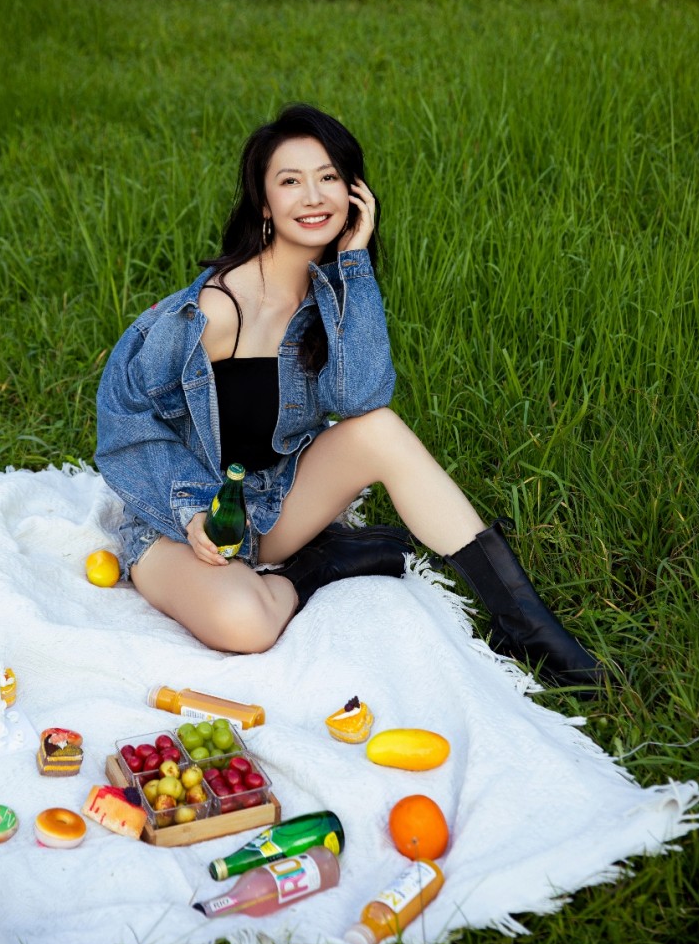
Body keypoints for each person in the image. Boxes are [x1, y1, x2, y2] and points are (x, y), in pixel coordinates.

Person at [95, 103, 604, 694]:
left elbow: (362, 398)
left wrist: (355, 264)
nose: (313, 197)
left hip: (274, 504)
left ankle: (524, 624)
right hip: (177, 521)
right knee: (245, 624)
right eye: (291, 181)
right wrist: (190, 511)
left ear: (354, 192)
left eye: (328, 177)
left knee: (380, 430)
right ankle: (321, 564)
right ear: (265, 204)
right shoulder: (212, 311)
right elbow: (125, 423)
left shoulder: (329, 295)